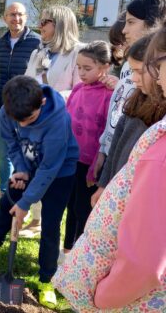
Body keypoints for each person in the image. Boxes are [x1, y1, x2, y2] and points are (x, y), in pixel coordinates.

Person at [53, 25, 166, 311]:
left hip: (123, 292)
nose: (135, 79)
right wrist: (107, 182)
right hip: (113, 187)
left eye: (144, 71)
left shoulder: (159, 136)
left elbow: (143, 258)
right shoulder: (136, 98)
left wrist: (104, 298)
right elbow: (115, 138)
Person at [0, 75, 79, 308]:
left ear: (41, 104)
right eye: (18, 120)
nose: (24, 125)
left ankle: (47, 278)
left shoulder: (58, 121)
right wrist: (20, 169)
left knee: (50, 224)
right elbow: (11, 143)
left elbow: (49, 168)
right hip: (28, 165)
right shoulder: (9, 111)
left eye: (29, 119)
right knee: (9, 201)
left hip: (60, 173)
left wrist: (27, 202)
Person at [21, 5, 84, 237]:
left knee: (53, 176)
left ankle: (49, 227)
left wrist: (47, 100)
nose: (40, 26)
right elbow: (28, 80)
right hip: (34, 125)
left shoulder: (78, 52)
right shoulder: (39, 52)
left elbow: (81, 92)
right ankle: (35, 219)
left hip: (60, 126)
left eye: (45, 21)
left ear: (59, 25)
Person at [95, 0, 166, 179]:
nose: (124, 30)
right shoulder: (130, 66)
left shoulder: (157, 91)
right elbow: (120, 124)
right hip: (115, 169)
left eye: (131, 22)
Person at [91, 34, 166, 207]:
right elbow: (116, 145)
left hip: (140, 199)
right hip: (117, 190)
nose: (133, 78)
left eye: (139, 71)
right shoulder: (137, 99)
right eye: (132, 71)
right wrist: (104, 184)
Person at [62, 41, 113, 254]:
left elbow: (106, 133)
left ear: (105, 67)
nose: (81, 73)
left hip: (91, 164)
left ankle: (80, 254)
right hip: (71, 159)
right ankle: (66, 250)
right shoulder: (77, 89)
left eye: (87, 68)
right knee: (70, 206)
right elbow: (66, 119)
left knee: (84, 209)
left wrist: (95, 166)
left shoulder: (109, 95)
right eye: (79, 67)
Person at [0, 2, 41, 205]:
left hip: (26, 110)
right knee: (4, 153)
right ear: (4, 18)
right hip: (1, 107)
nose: (15, 18)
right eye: (11, 15)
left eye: (19, 14)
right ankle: (5, 192)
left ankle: (28, 195)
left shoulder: (36, 42)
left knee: (28, 153)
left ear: (26, 17)